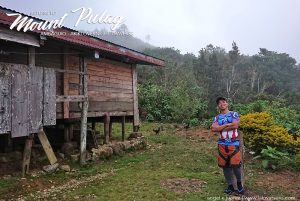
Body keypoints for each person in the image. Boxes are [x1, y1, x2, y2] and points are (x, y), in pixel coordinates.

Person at [211, 97, 245, 194]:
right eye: (220, 103)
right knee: (225, 166)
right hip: (222, 144)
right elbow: (213, 129)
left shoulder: (233, 114)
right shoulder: (217, 117)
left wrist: (220, 127)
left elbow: (235, 125)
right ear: (218, 106)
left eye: (224, 102)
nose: (222, 104)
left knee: (236, 165)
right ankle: (230, 186)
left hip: (233, 143)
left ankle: (239, 184)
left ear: (227, 104)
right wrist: (226, 125)